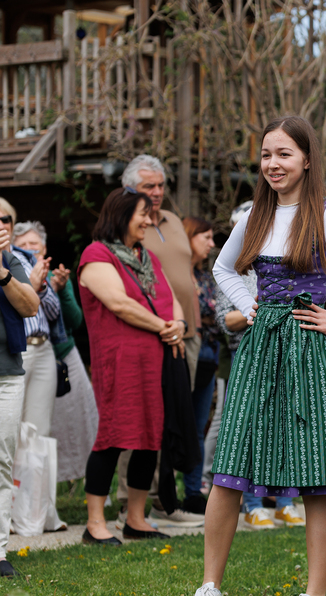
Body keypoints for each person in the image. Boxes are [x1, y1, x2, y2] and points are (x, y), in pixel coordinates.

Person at [185, 115, 326, 596]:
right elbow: (222, 269)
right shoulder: (255, 216)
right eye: (266, 155)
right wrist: (250, 306)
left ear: (307, 159)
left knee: (316, 475)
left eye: (284, 154)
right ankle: (209, 588)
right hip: (261, 349)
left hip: (311, 351)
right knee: (231, 466)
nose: (273, 164)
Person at [77, 187, 187, 544]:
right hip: (120, 361)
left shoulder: (147, 257)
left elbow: (171, 297)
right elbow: (119, 303)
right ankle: (95, 523)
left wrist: (179, 324)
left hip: (156, 360)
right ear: (122, 215)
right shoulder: (97, 254)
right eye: (143, 214)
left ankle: (136, 519)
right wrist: (165, 327)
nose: (148, 221)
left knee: (149, 438)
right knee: (112, 436)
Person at [116, 156, 204, 528]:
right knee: (142, 419)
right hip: (152, 333)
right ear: (129, 189)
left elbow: (183, 268)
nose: (156, 192)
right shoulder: (125, 223)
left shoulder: (171, 220)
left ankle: (164, 500)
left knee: (175, 419)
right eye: (148, 186)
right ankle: (129, 504)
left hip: (187, 333)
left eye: (160, 185)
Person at [213, 268, 306, 529]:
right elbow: (225, 320)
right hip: (250, 352)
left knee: (286, 427)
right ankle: (253, 506)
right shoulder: (235, 271)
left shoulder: (288, 267)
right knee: (251, 429)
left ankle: (285, 503)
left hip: (286, 349)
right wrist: (265, 309)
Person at [12, 221, 97, 483]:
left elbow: (69, 318)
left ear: (44, 248)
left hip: (50, 352)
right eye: (23, 245)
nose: (29, 249)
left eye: (34, 244)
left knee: (44, 429)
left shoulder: (53, 276)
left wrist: (55, 289)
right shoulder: (10, 274)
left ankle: (36, 498)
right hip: (19, 353)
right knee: (13, 426)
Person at [1, 213, 66, 532]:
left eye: (5, 219)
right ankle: (13, 514)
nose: (2, 224)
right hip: (17, 348)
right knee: (9, 440)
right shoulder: (11, 259)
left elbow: (51, 311)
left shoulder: (23, 262)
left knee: (36, 434)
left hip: (40, 350)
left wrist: (45, 287)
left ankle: (34, 512)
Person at [0, 206, 40, 576]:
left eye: (5, 220)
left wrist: (1, 273)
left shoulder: (9, 261)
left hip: (6, 374)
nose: (0, 226)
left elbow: (31, 306)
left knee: (2, 460)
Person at [181, 217, 219, 514]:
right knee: (176, 422)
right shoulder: (175, 274)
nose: (211, 244)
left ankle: (193, 491)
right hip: (183, 352)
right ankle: (162, 492)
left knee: (198, 425)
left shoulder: (205, 278)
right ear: (189, 237)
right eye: (205, 237)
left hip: (209, 352)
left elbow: (216, 313)